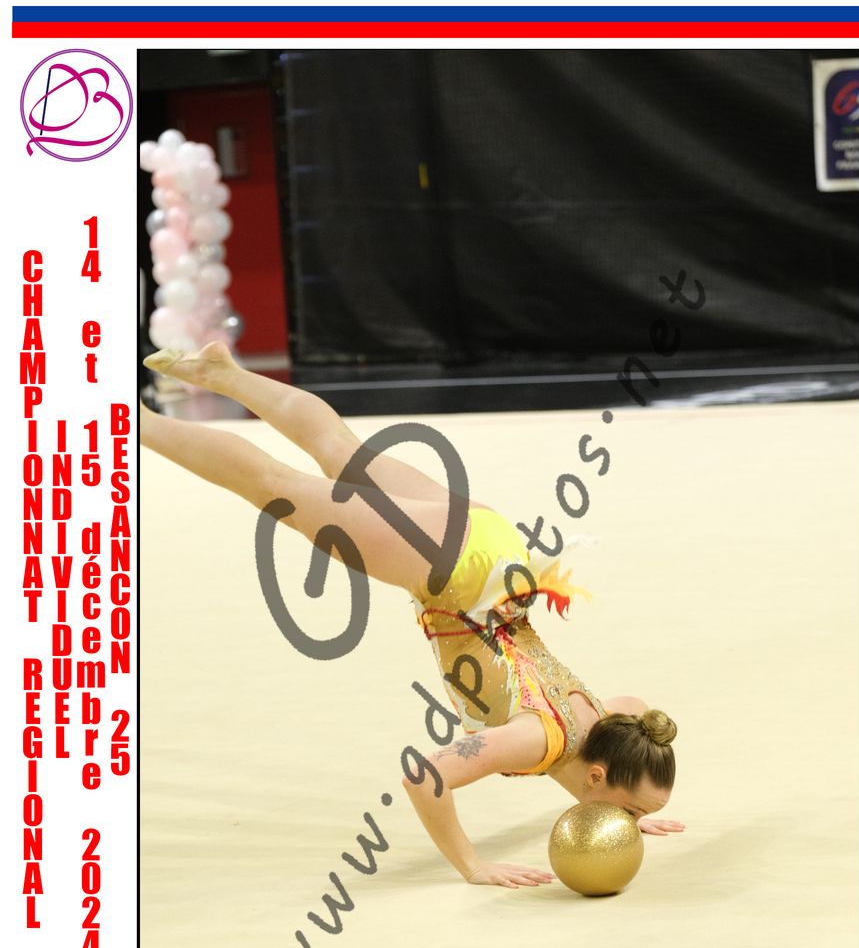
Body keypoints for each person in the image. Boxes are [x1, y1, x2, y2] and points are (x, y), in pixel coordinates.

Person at [140, 343, 685, 890]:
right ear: (598, 775)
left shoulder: (611, 723)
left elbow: (637, 712)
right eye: (630, 814)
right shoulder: (536, 741)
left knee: (340, 451)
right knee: (275, 486)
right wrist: (474, 866)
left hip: (496, 547)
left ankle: (221, 372)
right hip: (452, 572)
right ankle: (132, 420)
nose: (629, 824)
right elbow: (424, 777)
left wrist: (634, 803)